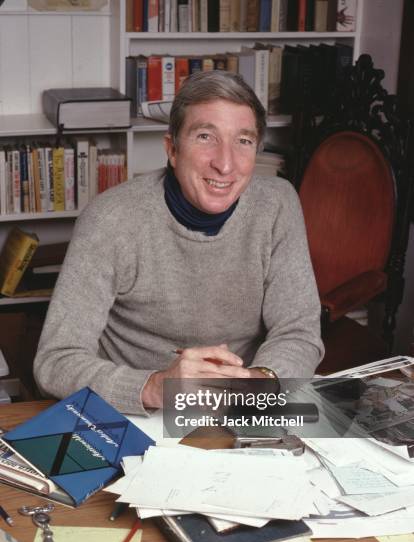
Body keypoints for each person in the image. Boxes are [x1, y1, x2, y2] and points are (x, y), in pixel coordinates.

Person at [34, 70, 324, 415]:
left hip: (241, 408)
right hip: (138, 413)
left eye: (243, 141)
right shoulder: (110, 219)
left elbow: (299, 331)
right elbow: (55, 361)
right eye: (205, 136)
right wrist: (156, 387)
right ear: (172, 149)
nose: (225, 163)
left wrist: (259, 381)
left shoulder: (278, 204)